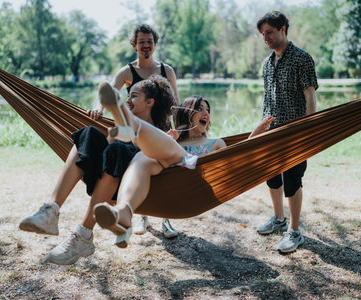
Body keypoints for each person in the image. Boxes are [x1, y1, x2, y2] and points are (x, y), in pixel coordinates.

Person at [92, 82, 274, 248]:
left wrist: (255, 135)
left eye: (207, 110)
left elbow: (238, 160)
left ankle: (127, 122)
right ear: (187, 114)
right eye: (199, 109)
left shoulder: (216, 144)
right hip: (167, 185)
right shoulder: (175, 140)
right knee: (142, 157)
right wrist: (168, 141)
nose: (206, 113)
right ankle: (124, 212)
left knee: (158, 152)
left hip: (196, 188)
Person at [19, 75, 176, 264]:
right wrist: (109, 130)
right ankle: (50, 210)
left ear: (150, 102)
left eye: (134, 96)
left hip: (128, 187)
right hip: (105, 177)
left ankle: (83, 236)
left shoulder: (160, 133)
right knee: (88, 133)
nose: (128, 100)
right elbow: (106, 150)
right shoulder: (122, 125)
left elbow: (163, 161)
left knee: (118, 150)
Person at [89, 24, 180, 238]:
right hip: (137, 133)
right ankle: (142, 216)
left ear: (154, 44)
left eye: (149, 41)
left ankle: (167, 220)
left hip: (162, 132)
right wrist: (98, 108)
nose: (146, 45)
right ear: (134, 45)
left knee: (168, 176)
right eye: (141, 42)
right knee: (140, 170)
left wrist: (181, 131)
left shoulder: (167, 71)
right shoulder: (127, 72)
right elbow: (108, 93)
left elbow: (175, 103)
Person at [255, 11, 318, 253]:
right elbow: (267, 99)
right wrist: (261, 127)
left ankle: (294, 231)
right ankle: (278, 219)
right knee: (271, 176)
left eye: (269, 32)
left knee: (293, 179)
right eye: (263, 34)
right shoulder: (266, 63)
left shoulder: (302, 58)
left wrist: (309, 129)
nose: (266, 38)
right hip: (270, 131)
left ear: (283, 29)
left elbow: (310, 95)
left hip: (295, 132)